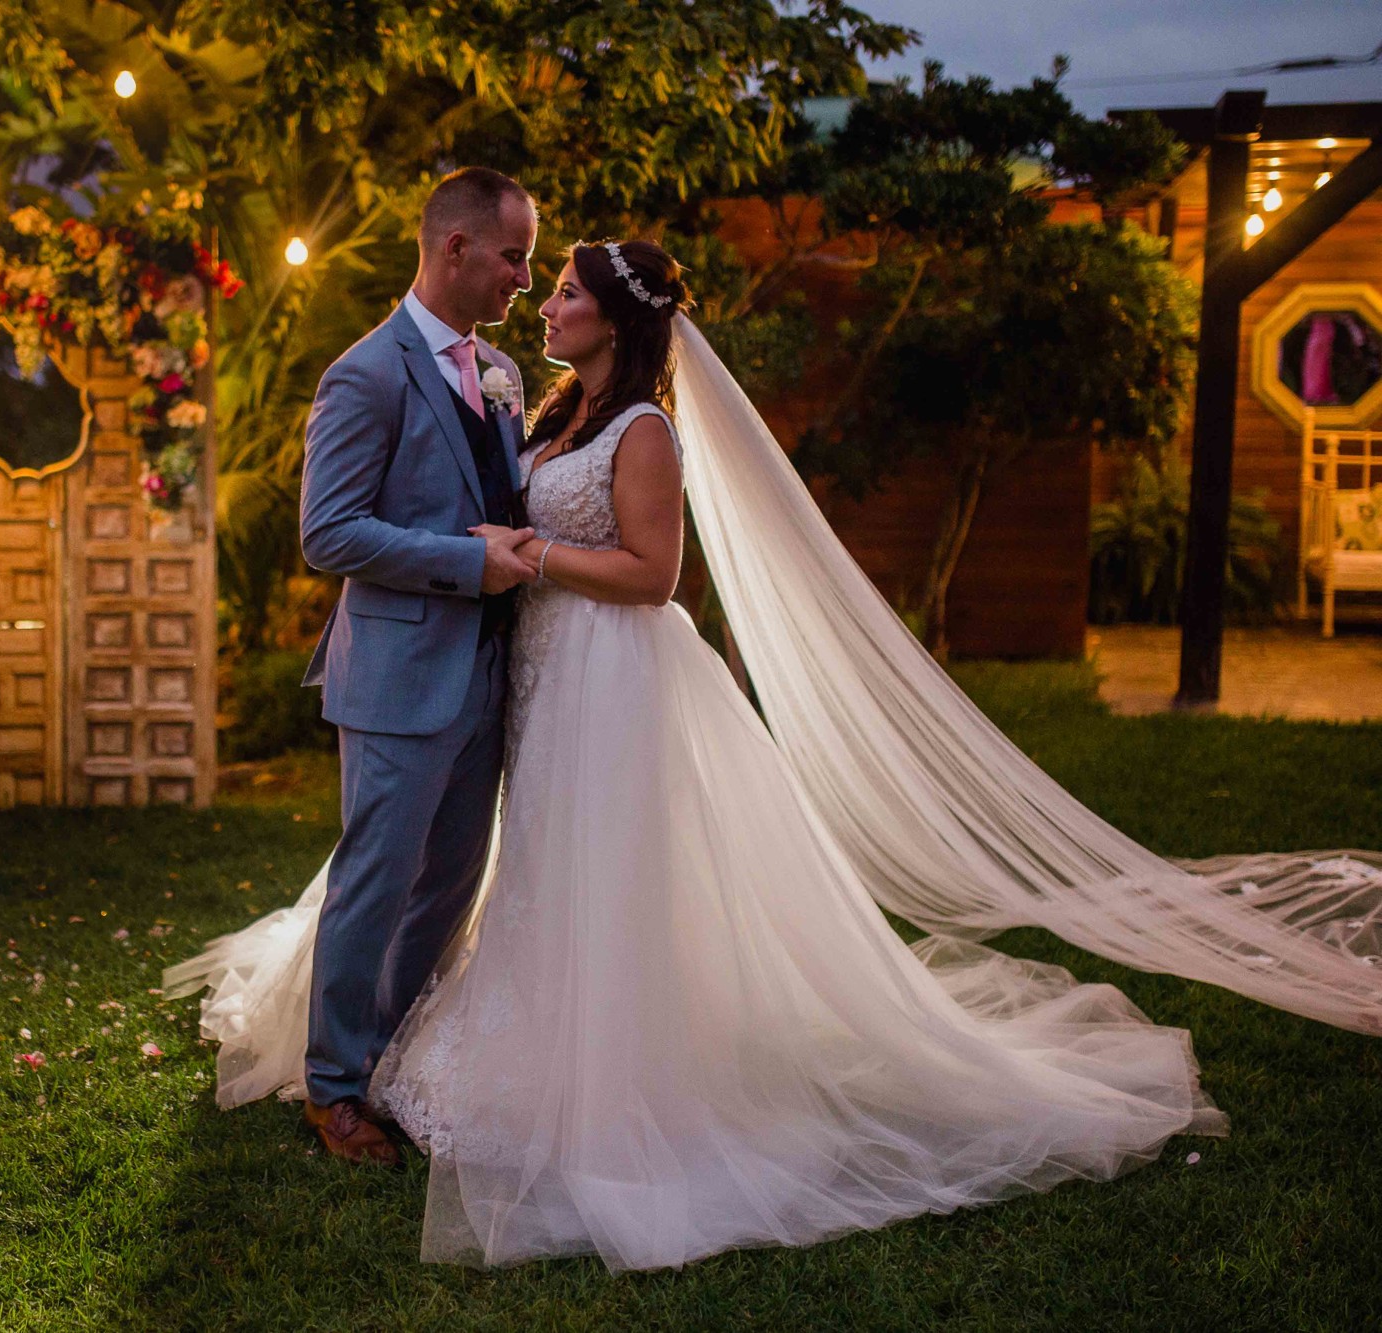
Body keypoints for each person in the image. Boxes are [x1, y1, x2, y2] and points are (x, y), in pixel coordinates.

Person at [169, 229, 1382, 1271]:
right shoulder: (545, 409)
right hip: (536, 671)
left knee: (601, 870)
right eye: (540, 280)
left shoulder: (643, 428)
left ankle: (610, 1067)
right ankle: (493, 1040)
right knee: (532, 863)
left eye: (565, 289)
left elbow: (653, 575)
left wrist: (528, 555)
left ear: (616, 320)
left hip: (607, 675)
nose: (542, 301)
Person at [286, 166, 539, 1167]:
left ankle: (385, 1053)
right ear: (455, 248)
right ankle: (332, 1090)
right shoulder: (366, 373)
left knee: (450, 884)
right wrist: (465, 563)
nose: (525, 277)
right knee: (376, 884)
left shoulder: (502, 370)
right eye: (514, 256)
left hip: (487, 673)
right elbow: (328, 531)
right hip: (398, 676)